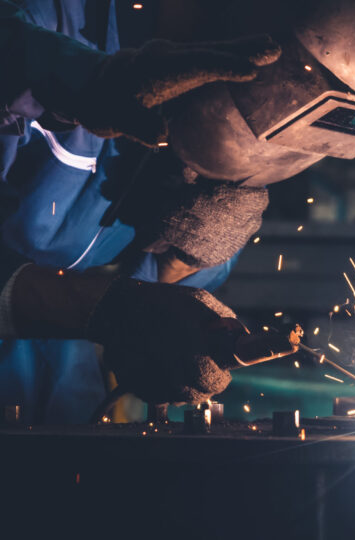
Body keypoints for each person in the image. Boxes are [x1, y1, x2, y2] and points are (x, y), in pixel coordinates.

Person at [0, 0, 355, 424]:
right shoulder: (49, 20)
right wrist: (71, 75)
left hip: (66, 416)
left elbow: (147, 314)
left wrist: (182, 262)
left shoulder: (223, 187)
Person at [0, 0, 279, 422]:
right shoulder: (45, 17)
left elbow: (149, 285)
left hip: (70, 398)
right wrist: (76, 76)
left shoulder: (238, 76)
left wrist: (188, 256)